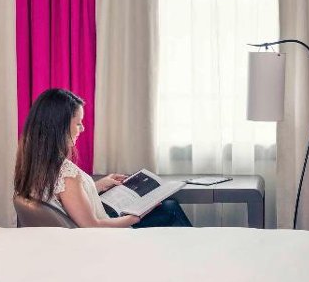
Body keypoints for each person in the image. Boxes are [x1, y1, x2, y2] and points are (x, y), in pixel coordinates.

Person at [14, 88, 191, 228]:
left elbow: (65, 196)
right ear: (60, 126)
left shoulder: (35, 162)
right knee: (170, 208)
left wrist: (97, 185)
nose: (82, 129)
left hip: (89, 229)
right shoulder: (66, 173)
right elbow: (92, 226)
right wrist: (136, 216)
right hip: (104, 238)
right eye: (78, 123)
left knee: (167, 206)